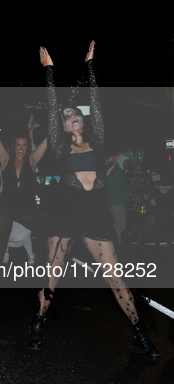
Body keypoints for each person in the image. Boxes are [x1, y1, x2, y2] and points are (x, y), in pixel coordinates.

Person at [28, 42, 159, 361]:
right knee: (51, 275)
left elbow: (97, 103)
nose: (70, 116)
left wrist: (89, 67)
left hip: (97, 214)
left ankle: (140, 334)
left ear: (82, 122)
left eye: (74, 114)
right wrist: (49, 71)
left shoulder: (98, 142)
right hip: (65, 212)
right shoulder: (60, 148)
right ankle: (37, 323)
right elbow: (52, 104)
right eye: (66, 115)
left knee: (116, 278)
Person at [0, 120, 47, 266]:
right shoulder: (6, 159)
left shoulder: (32, 160)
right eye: (18, 144)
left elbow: (48, 141)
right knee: (1, 244)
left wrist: (57, 123)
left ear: (28, 147)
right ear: (13, 146)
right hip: (6, 205)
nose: (21, 148)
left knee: (45, 229)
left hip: (24, 206)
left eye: (24, 145)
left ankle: (41, 266)